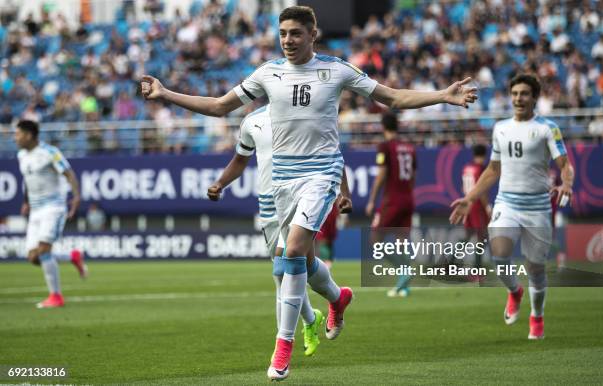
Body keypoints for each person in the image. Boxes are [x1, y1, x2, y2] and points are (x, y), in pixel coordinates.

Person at [141, 6, 477, 380]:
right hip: (283, 181)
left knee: (294, 250)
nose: (287, 40)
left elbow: (393, 98)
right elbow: (220, 107)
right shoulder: (268, 73)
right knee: (302, 261)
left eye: (296, 33)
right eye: (283, 33)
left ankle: (283, 347)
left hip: (321, 175)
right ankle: (337, 297)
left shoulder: (336, 70)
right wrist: (165, 93)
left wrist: (441, 96)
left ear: (313, 34)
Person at [450, 74, 574, 340]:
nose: (519, 98)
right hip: (507, 202)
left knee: (536, 268)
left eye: (524, 94)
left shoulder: (547, 128)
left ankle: (537, 316)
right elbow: (493, 170)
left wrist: (567, 184)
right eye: (515, 93)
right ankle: (515, 291)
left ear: (534, 97)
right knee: (500, 254)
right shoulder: (501, 128)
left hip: (538, 206)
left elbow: (565, 164)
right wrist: (469, 198)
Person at [207, 104, 325, 357]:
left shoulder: (302, 114)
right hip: (268, 203)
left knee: (282, 266)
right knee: (281, 275)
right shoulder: (252, 121)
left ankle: (282, 345)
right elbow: (240, 160)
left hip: (297, 196)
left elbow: (328, 151)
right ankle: (311, 318)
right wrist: (220, 183)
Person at [14, 120, 88, 309]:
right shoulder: (22, 155)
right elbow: (28, 180)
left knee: (44, 250)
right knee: (33, 257)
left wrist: (77, 196)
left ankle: (56, 296)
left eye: (18, 134)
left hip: (53, 208)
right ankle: (72, 256)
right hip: (36, 210)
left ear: (29, 135)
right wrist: (26, 201)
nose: (15, 138)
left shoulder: (50, 152)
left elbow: (68, 173)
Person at [366, 112, 417, 297]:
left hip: (393, 199)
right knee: (401, 242)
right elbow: (413, 176)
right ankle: (404, 286)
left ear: (383, 127)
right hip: (408, 198)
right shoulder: (409, 147)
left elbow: (381, 174)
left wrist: (372, 200)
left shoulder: (385, 146)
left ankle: (404, 271)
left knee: (375, 240)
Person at [461, 143, 491, 279]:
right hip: (477, 206)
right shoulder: (481, 169)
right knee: (481, 237)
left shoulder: (467, 167)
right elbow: (482, 191)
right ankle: (476, 271)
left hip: (468, 204)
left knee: (468, 236)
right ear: (484, 155)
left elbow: (463, 188)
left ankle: (449, 264)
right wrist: (487, 207)